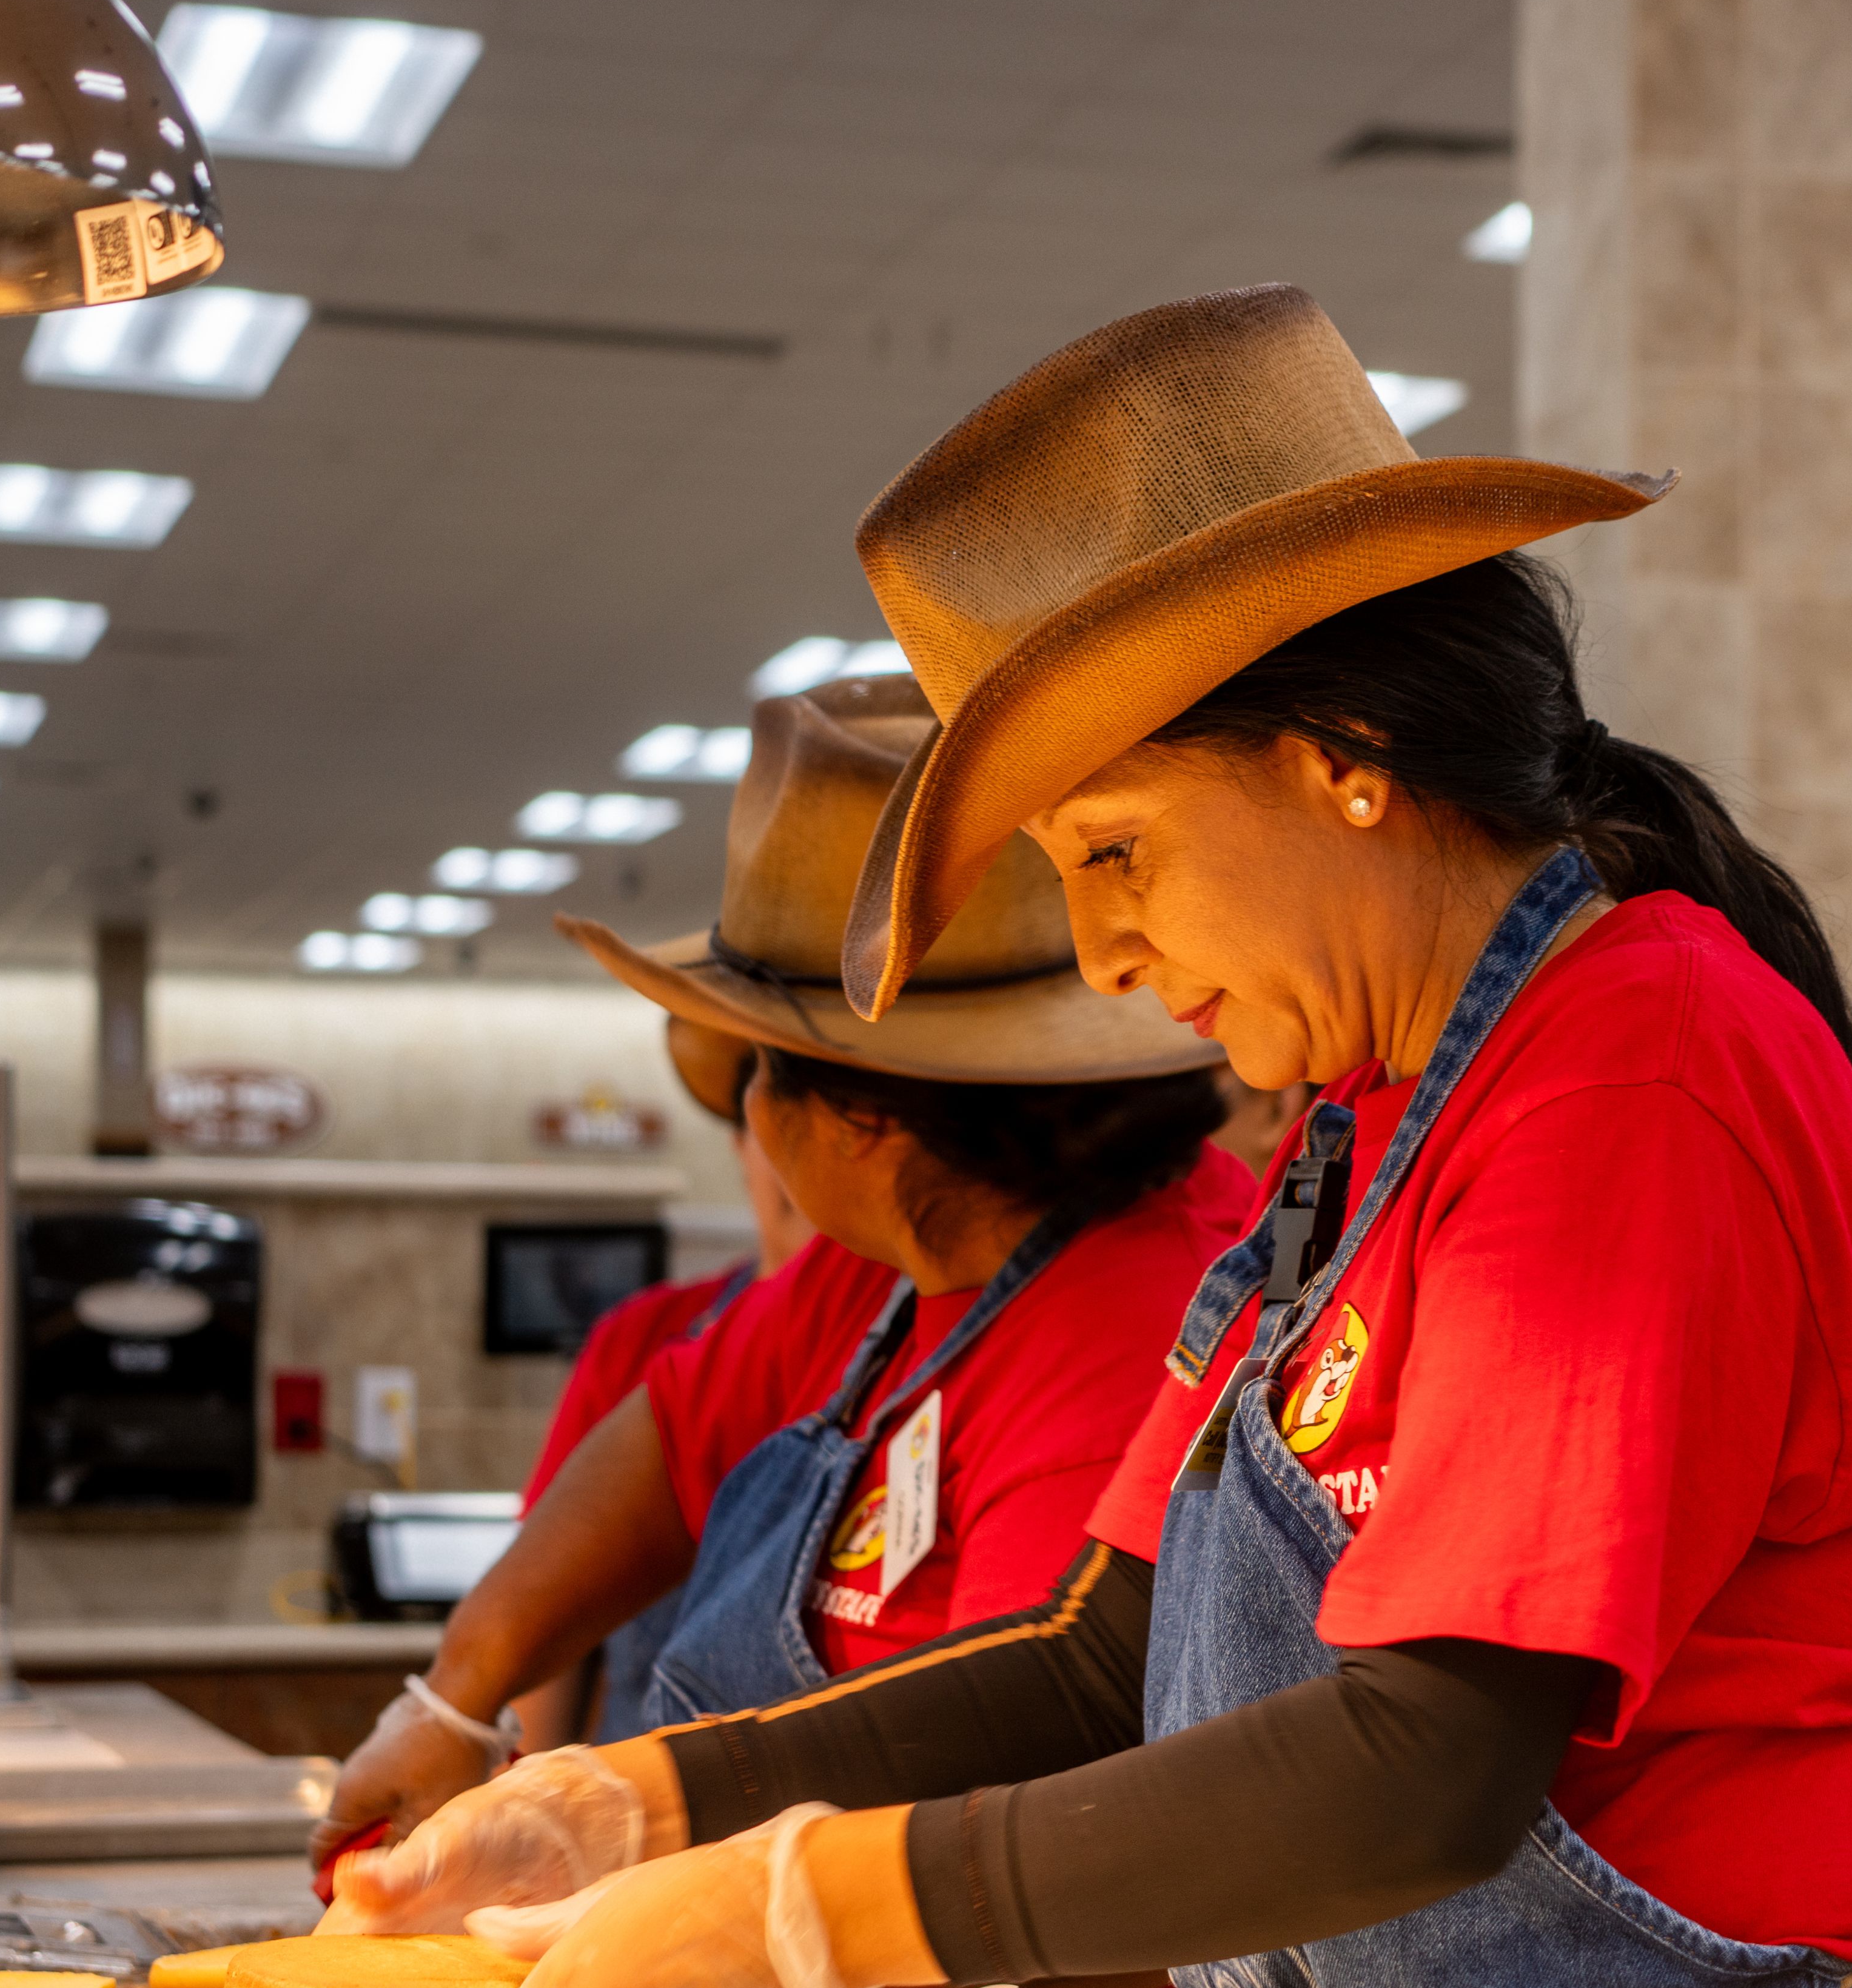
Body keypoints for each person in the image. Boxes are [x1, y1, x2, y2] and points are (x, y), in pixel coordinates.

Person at [329, 285, 1852, 1988]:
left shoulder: (1630, 1068)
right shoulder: (1368, 1119)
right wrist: (642, 1800)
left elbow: (1430, 1759)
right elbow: (1105, 1653)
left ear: (1345, 751)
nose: (1110, 958)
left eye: (1113, 848)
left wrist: (806, 1912)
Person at [301, 680, 1244, 1883]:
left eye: (753, 1074)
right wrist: (454, 1698)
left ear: (855, 1116)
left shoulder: (1127, 1332)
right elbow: (666, 1440)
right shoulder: (884, 1271)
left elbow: (1020, 1796)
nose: (745, 1118)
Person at [494, 1041, 835, 1755]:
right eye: (778, 1116)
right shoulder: (640, 1341)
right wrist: (517, 1791)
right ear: (745, 1139)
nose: (804, 1154)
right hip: (630, 1807)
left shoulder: (920, 1337)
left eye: (837, 1116)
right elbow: (550, 1611)